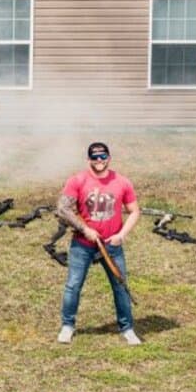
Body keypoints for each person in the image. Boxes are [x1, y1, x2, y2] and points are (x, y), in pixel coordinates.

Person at [55, 141, 142, 346]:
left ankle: (127, 328)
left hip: (112, 246)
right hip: (82, 244)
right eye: (95, 157)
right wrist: (85, 229)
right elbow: (62, 209)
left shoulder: (122, 182)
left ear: (109, 158)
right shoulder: (77, 180)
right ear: (89, 160)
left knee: (121, 286)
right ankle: (67, 326)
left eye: (103, 157)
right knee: (73, 286)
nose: (99, 161)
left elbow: (135, 211)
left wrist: (122, 234)